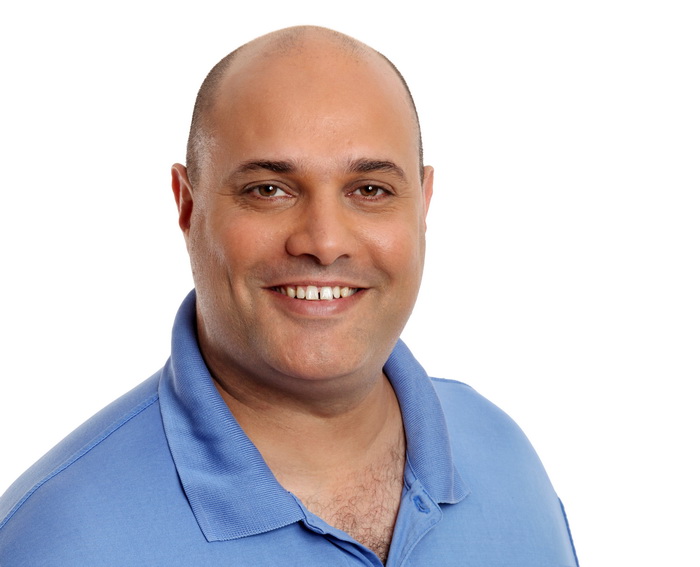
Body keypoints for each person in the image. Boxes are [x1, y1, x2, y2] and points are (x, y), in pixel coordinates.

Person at [0, 26, 578, 566]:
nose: (323, 242)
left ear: (423, 206)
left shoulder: (507, 460)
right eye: (269, 189)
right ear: (188, 205)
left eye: (370, 189)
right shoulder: (57, 541)